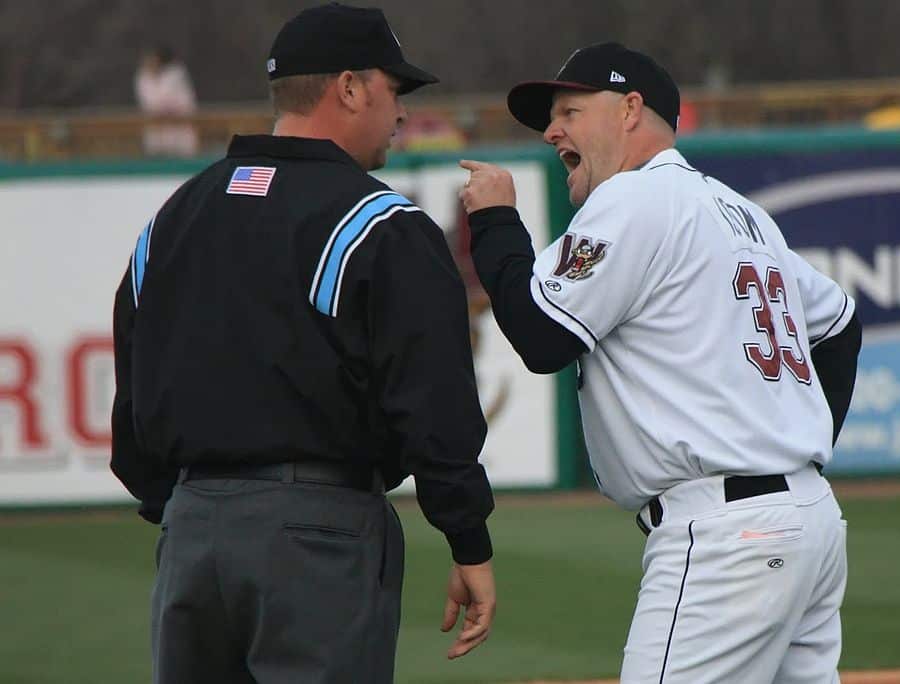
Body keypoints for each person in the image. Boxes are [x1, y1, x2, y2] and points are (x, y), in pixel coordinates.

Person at [111, 5, 496, 683]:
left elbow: (132, 400)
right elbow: (433, 404)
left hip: (191, 534)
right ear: (349, 88)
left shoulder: (173, 217)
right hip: (318, 534)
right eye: (394, 89)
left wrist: (190, 512)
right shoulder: (384, 223)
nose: (401, 111)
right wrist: (467, 537)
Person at [459, 42, 861, 683]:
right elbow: (839, 326)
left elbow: (541, 337)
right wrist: (791, 450)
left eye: (569, 110)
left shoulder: (633, 200)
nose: (551, 130)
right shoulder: (744, 214)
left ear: (630, 109)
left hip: (727, 538)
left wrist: (497, 222)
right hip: (808, 521)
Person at [134, 45, 199, 157]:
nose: (151, 62)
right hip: (156, 130)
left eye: (154, 59)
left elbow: (185, 101)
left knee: (183, 159)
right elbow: (148, 102)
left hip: (180, 128)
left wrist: (169, 107)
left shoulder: (177, 74)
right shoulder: (143, 77)